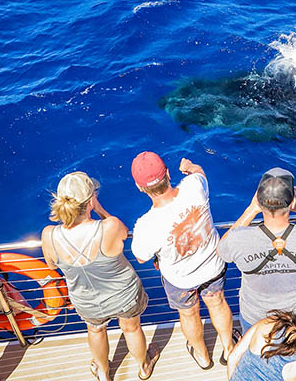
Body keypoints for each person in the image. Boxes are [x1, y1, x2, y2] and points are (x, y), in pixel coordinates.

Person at [41, 172, 158, 381]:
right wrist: (100, 209)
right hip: (124, 295)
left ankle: (103, 373)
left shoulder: (49, 235)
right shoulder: (109, 226)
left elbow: (52, 264)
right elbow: (123, 232)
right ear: (90, 202)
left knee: (96, 331)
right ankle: (144, 367)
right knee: (131, 329)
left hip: (86, 300)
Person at [130, 152, 236, 370]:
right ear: (168, 174)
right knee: (217, 303)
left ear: (140, 188)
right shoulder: (194, 186)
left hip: (180, 280)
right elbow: (200, 173)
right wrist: (190, 165)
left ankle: (203, 357)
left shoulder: (146, 225)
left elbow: (141, 257)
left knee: (188, 314)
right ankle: (229, 349)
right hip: (213, 265)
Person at [218, 167, 296, 328]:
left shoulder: (238, 239)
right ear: (292, 203)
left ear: (259, 201)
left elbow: (221, 250)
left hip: (256, 318)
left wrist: (251, 209)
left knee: (257, 351)